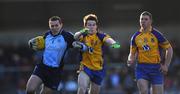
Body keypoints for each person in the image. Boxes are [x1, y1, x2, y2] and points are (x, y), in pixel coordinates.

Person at [26, 16, 76, 94]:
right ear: (49, 26)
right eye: (52, 26)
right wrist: (31, 43)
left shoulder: (67, 36)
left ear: (61, 25)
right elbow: (39, 44)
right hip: (42, 67)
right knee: (30, 90)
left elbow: (76, 42)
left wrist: (79, 43)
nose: (54, 28)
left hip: (55, 71)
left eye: (56, 25)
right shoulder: (46, 35)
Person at [127, 11, 173, 94]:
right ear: (139, 21)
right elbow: (131, 53)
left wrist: (166, 65)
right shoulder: (135, 37)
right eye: (141, 19)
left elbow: (169, 49)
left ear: (151, 21)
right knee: (144, 91)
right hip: (141, 68)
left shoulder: (157, 34)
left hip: (156, 68)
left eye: (146, 19)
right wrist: (130, 59)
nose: (143, 21)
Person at [73, 14, 120, 94]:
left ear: (96, 26)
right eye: (89, 25)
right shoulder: (83, 35)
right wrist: (81, 32)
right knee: (81, 89)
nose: (91, 27)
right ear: (85, 26)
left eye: (93, 25)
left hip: (98, 68)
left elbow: (108, 39)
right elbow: (75, 37)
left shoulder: (100, 35)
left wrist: (113, 43)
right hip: (85, 67)